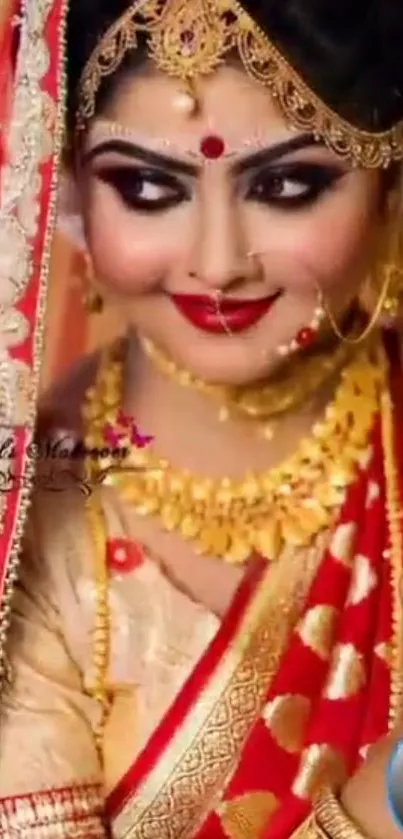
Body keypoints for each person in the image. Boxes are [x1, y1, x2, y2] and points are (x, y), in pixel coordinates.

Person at [2, 0, 403, 837]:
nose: (218, 261)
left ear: (388, 180)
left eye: (285, 185)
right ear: (71, 185)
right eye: (147, 186)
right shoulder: (27, 526)